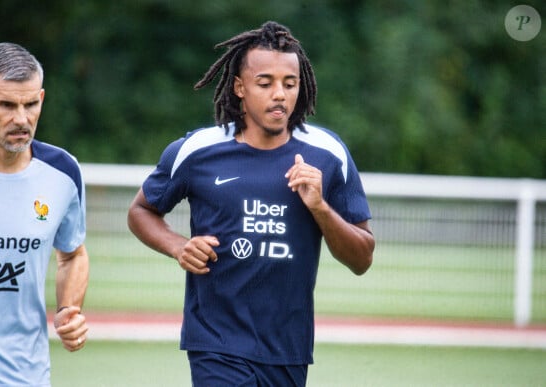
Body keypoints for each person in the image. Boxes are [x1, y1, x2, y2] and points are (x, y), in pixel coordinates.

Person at [128, 21, 375, 386]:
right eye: (266, 83)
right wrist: (179, 246)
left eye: (290, 84)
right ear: (239, 87)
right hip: (215, 342)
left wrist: (321, 208)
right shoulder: (198, 150)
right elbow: (141, 211)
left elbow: (362, 258)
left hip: (288, 349)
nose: (280, 95)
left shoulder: (327, 155)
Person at [0, 42, 89, 386]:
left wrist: (68, 309)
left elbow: (73, 254)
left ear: (42, 99)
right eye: (6, 104)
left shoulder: (63, 173)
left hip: (26, 374)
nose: (21, 118)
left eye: (30, 104)